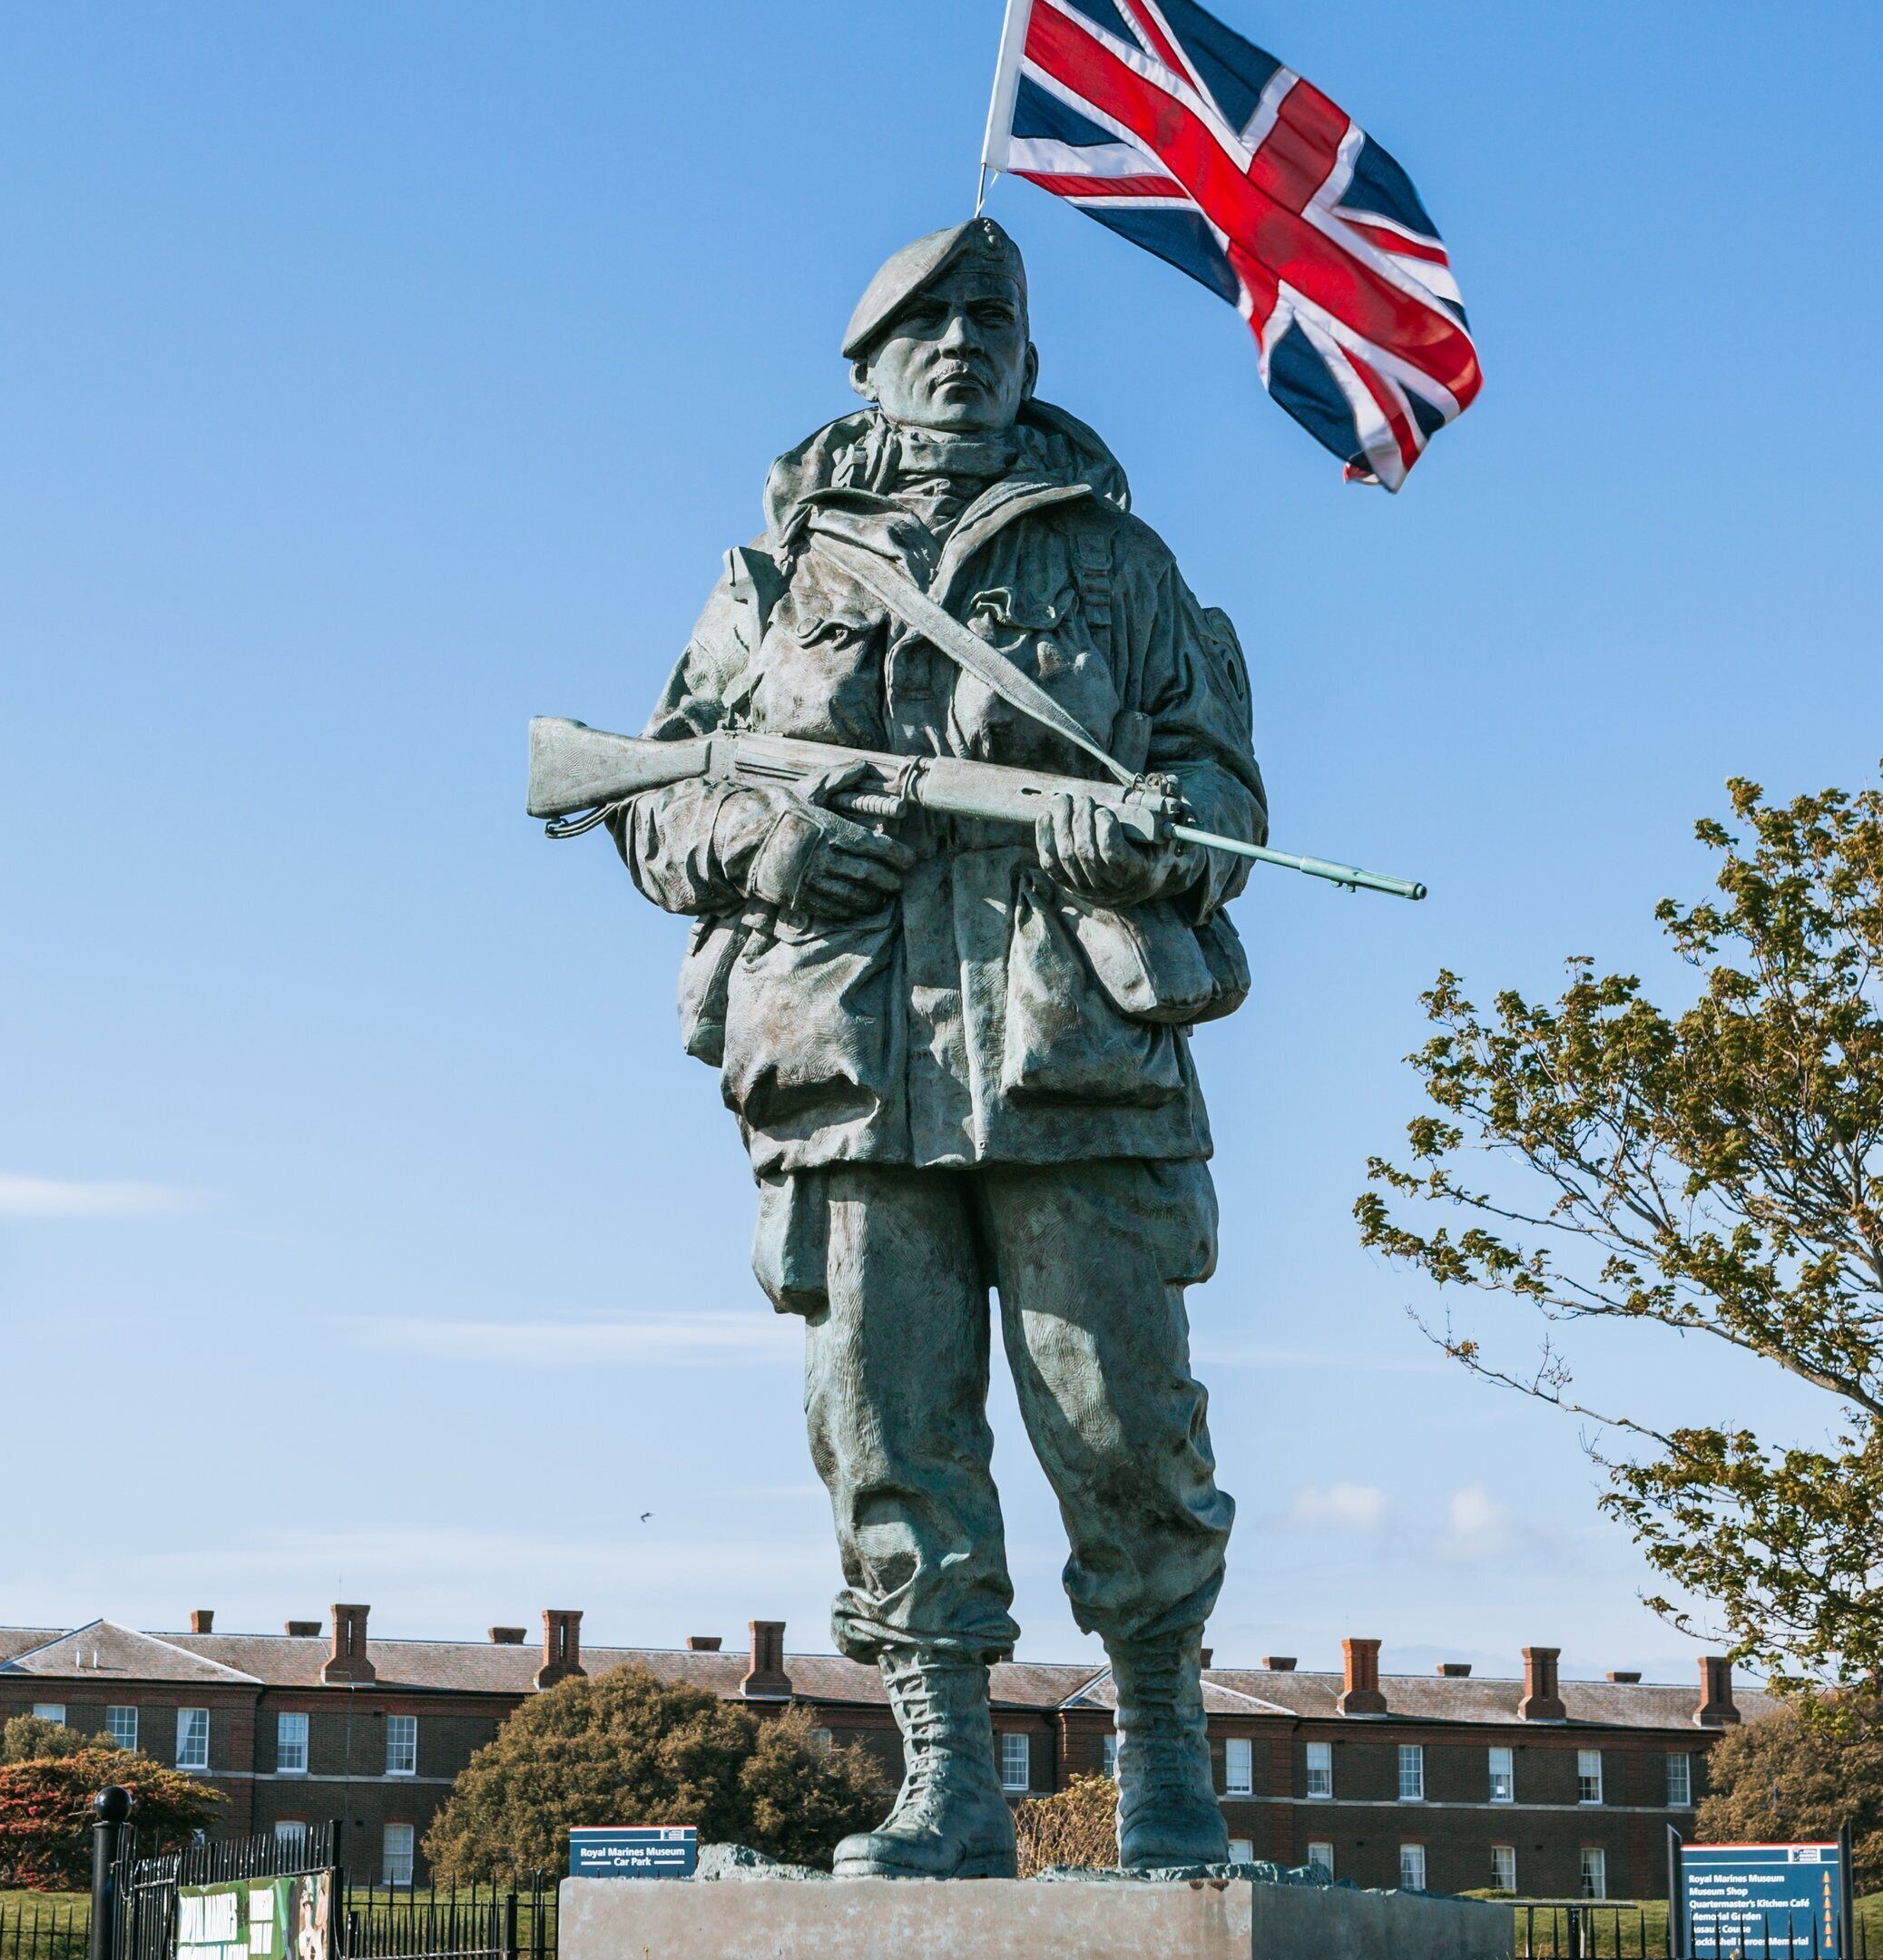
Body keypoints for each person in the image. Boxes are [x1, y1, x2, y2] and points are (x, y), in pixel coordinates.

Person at [605, 218, 1262, 1877]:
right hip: (846, 1073)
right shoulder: (770, 584)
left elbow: (1226, 795)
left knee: (1125, 1426)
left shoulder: (1122, 568)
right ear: (869, 368)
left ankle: (1164, 1764)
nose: (963, 344)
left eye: (994, 319)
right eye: (929, 322)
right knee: (886, 1434)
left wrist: (1154, 835)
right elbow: (650, 799)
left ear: (1031, 361)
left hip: (1076, 1061)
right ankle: (946, 1777)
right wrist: (770, 848)